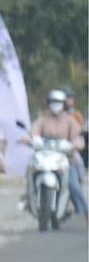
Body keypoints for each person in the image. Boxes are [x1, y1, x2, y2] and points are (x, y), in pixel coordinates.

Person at [29, 88, 87, 216]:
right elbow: (34, 131)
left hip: (65, 159)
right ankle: (29, 199)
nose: (55, 104)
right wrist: (29, 138)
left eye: (58, 102)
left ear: (64, 103)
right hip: (44, 157)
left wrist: (76, 144)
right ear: (48, 103)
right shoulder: (43, 118)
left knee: (73, 186)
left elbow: (77, 136)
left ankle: (84, 212)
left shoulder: (70, 120)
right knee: (30, 169)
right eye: (52, 101)